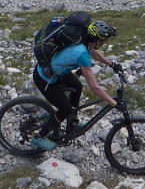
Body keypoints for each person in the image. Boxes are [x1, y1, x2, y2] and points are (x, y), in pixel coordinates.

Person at [31, 19, 123, 150]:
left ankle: (71, 122)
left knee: (77, 87)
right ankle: (39, 137)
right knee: (65, 109)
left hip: (55, 71)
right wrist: (113, 103)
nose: (106, 42)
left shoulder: (84, 40)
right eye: (105, 39)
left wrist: (112, 64)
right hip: (45, 78)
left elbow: (94, 52)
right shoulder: (82, 54)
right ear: (98, 39)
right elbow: (95, 87)